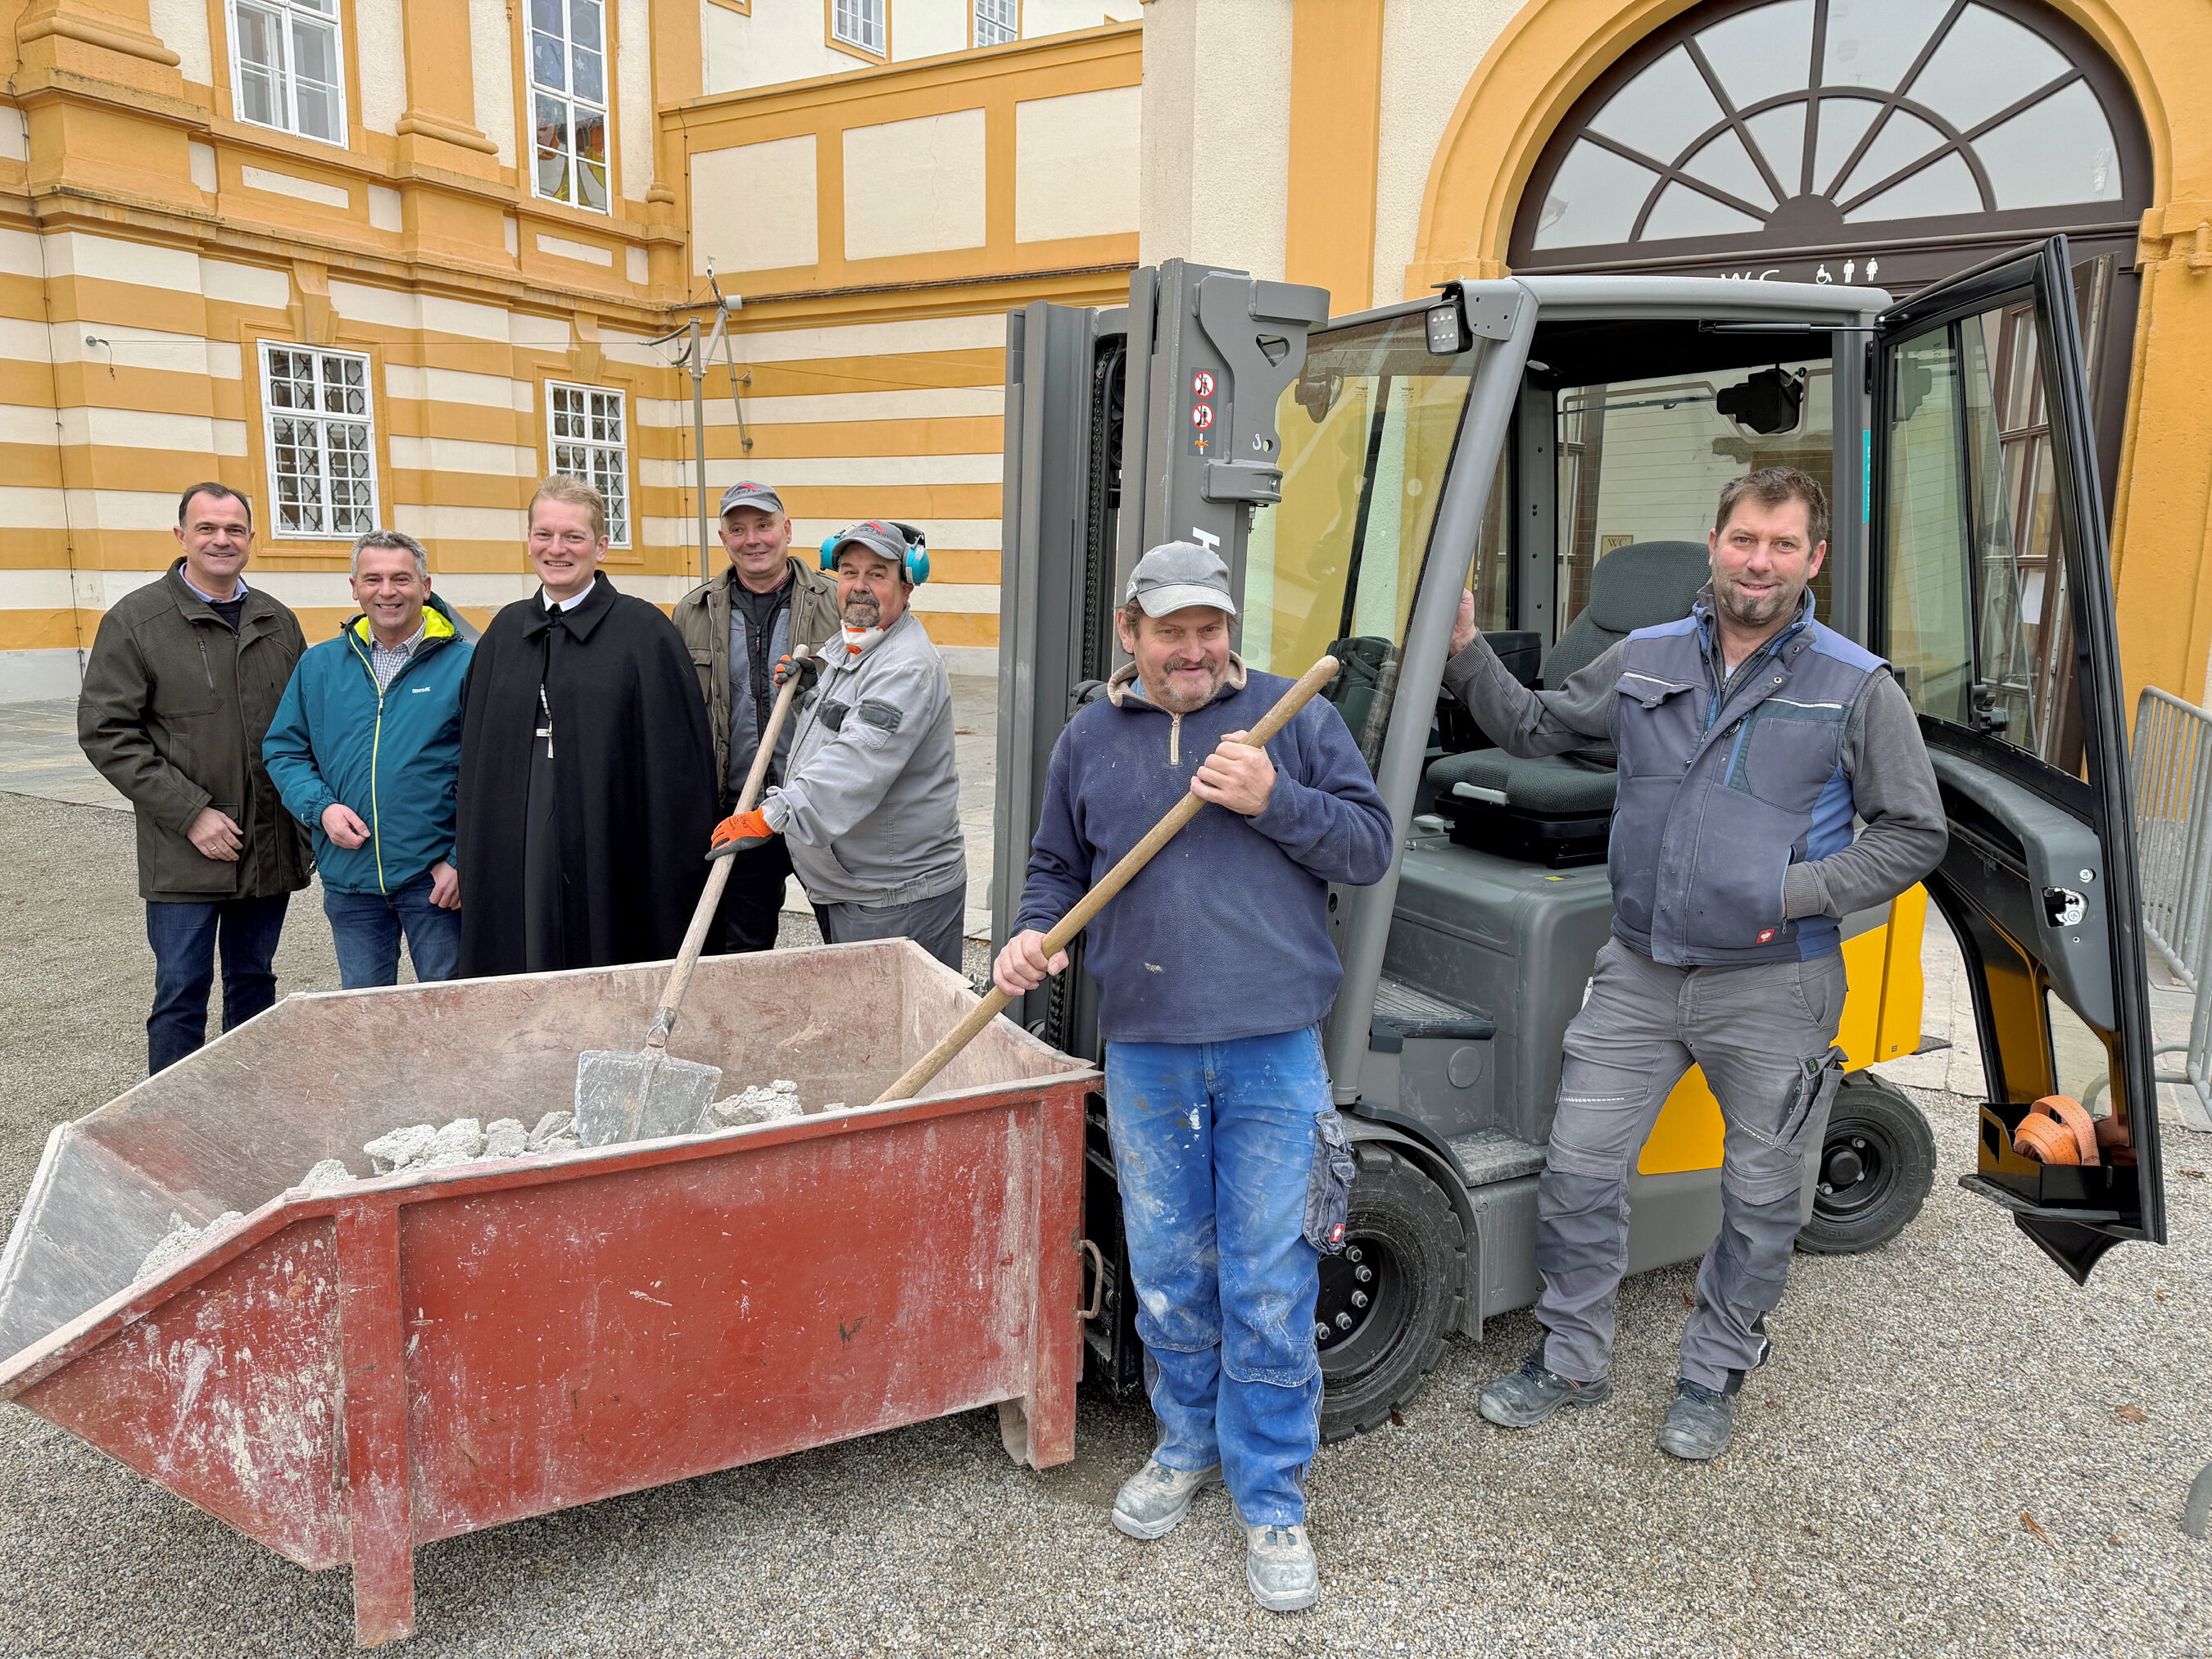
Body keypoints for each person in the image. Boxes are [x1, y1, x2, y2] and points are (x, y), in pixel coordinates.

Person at [1448, 467, 1946, 1461]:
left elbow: (1912, 834)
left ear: (1813, 560)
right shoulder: (1649, 656)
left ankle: (1715, 1369)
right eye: (1742, 540)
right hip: (1640, 970)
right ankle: (1572, 1357)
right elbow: (1540, 727)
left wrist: (1790, 890)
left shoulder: (1856, 685)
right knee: (1581, 1169)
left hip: (1776, 983)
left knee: (1764, 1196)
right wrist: (1464, 651)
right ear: (1715, 544)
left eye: (1781, 545)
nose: (1758, 561)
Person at [991, 541, 1394, 1613]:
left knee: (1270, 1275)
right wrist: (1031, 934)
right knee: (1170, 1266)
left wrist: (1275, 799)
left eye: (1209, 627)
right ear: (1130, 634)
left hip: (1272, 1047)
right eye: (1171, 630)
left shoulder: (1292, 718)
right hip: (1150, 1048)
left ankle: (1270, 1490)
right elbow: (1054, 871)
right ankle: (1185, 1445)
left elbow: (1367, 846)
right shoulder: (1089, 739)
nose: (1194, 649)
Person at [79, 483, 311, 1073]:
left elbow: (306, 725)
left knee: (254, 982)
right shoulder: (136, 621)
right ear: (180, 536)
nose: (221, 539)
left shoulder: (277, 621)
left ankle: (249, 1100)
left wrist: (305, 830)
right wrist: (190, 813)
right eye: (207, 527)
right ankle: (171, 1126)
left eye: (234, 529)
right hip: (185, 849)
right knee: (181, 989)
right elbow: (107, 731)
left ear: (251, 541)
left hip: (266, 844)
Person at [455, 476, 717, 976]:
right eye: (544, 534)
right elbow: (475, 757)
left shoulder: (645, 633)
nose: (557, 549)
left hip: (610, 835)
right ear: (529, 540)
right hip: (519, 825)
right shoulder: (505, 632)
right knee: (523, 947)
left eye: (573, 536)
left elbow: (675, 771)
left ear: (601, 546)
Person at [707, 520, 967, 970]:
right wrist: (812, 690)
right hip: (854, 886)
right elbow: (842, 729)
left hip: (896, 896)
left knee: (896, 1034)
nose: (859, 587)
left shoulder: (905, 667)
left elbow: (858, 761)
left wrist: (773, 814)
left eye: (877, 574)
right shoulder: (849, 648)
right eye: (849, 572)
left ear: (909, 584)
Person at [262, 529, 471, 989]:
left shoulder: (467, 665)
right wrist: (322, 809)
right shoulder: (318, 666)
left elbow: (492, 773)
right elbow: (284, 750)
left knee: (453, 1012)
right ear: (354, 587)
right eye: (372, 579)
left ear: (426, 586)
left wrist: (460, 860)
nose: (387, 591)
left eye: (401, 578)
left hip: (435, 882)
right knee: (364, 1017)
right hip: (350, 879)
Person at [674, 481, 840, 952]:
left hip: (815, 804)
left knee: (846, 938)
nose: (754, 539)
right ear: (723, 538)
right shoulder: (693, 611)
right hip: (740, 808)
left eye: (764, 525)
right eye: (738, 528)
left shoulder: (837, 602)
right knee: (742, 948)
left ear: (787, 530)